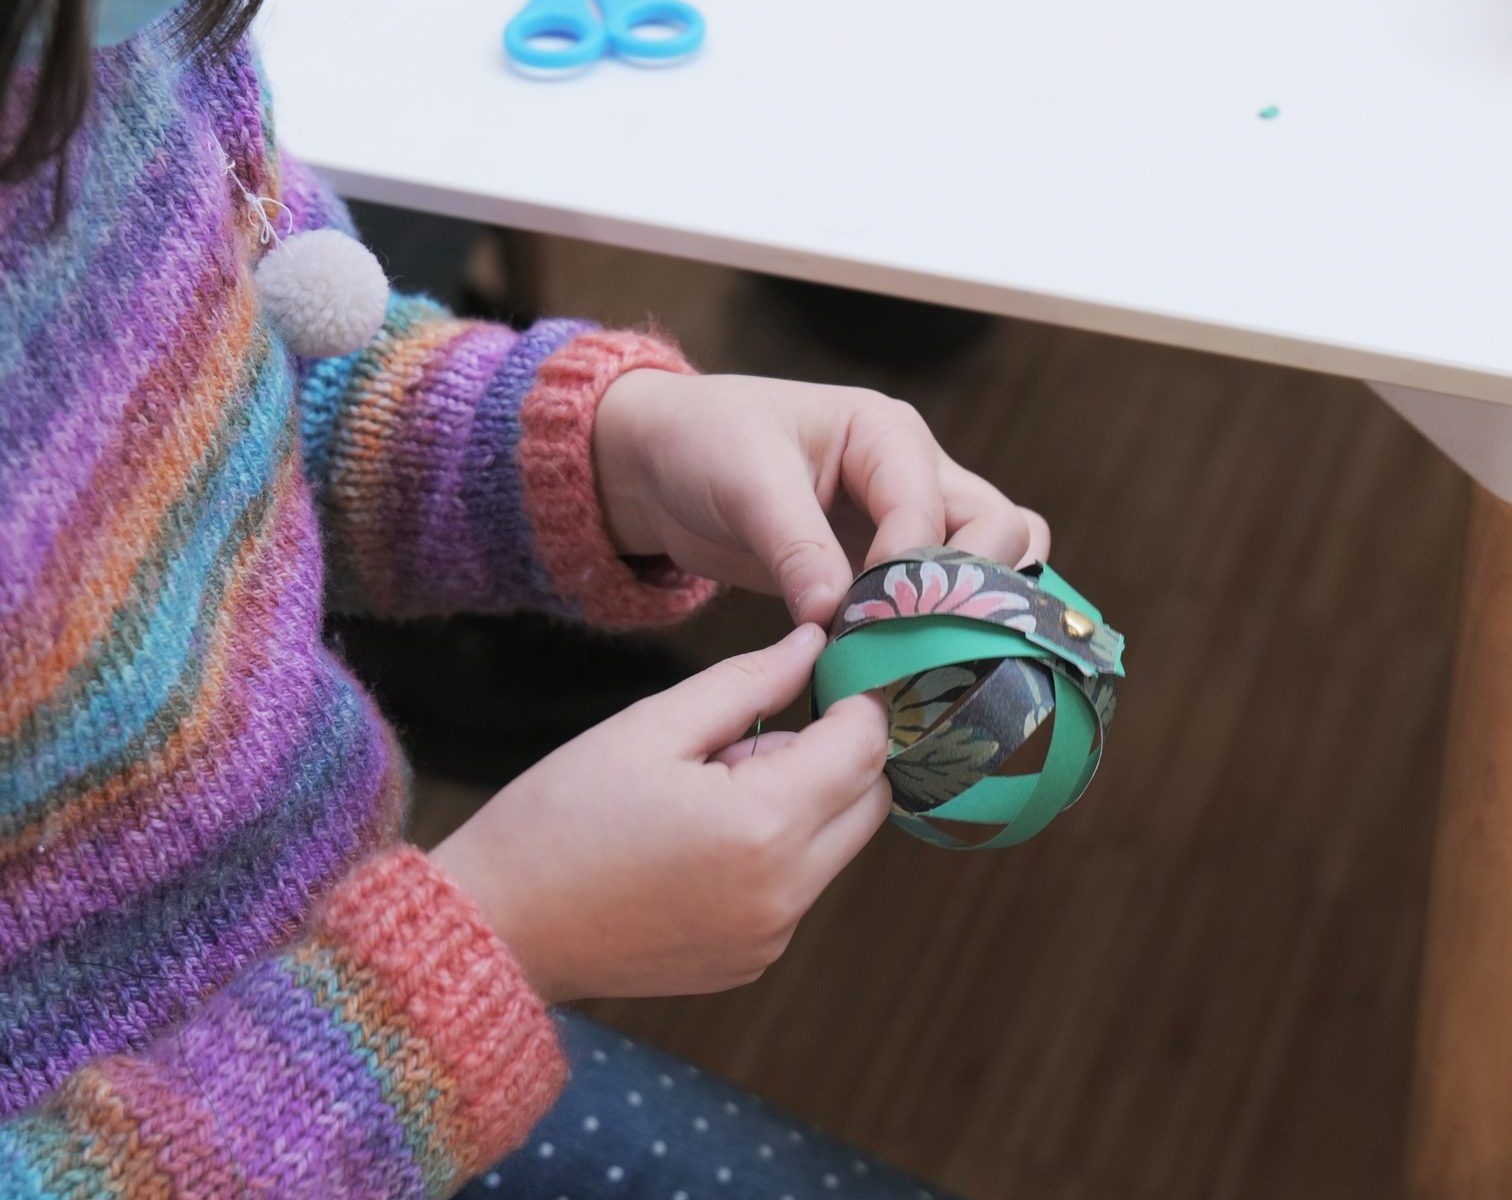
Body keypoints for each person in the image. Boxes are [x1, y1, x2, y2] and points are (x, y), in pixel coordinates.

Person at [0, 1, 1047, 1194]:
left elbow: (220, 380)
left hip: (348, 999)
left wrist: (603, 449)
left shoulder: (118, 43)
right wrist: (486, 956)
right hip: (335, 1081)